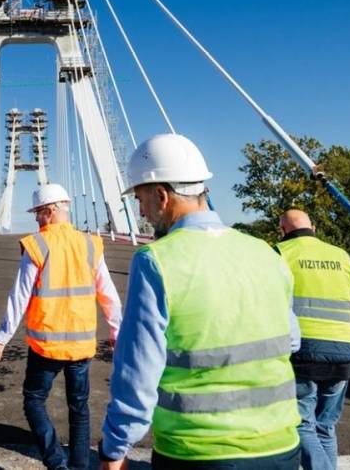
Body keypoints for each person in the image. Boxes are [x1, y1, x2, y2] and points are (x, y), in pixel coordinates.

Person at [99, 133, 302, 470]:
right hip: (280, 446)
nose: (141, 211)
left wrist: (114, 447)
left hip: (198, 450)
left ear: (161, 196)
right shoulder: (265, 253)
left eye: (140, 199)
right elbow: (291, 340)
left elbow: (138, 373)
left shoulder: (156, 261)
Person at [0, 183, 122, 470]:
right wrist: (116, 331)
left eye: (38, 213)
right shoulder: (90, 243)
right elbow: (107, 292)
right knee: (79, 409)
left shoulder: (38, 244)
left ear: (51, 210)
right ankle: (79, 467)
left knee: (33, 401)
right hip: (82, 346)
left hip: (46, 346)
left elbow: (20, 294)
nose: (36, 219)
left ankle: (57, 464)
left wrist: (2, 337)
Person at [275, 208, 350, 470]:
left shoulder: (280, 254)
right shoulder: (343, 258)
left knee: (301, 424)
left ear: (283, 231)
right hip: (342, 354)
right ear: (314, 229)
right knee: (325, 427)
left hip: (301, 352)